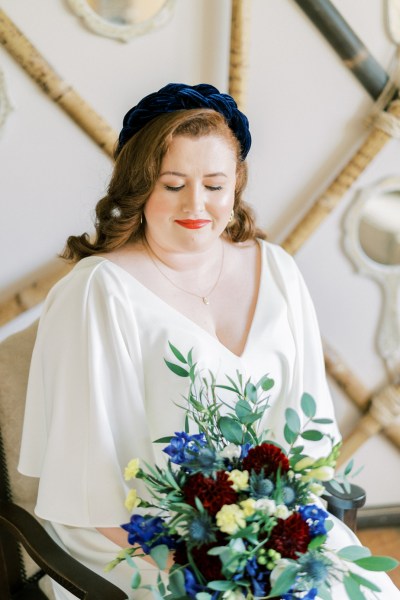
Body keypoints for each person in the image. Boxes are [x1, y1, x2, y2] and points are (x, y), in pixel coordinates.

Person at [18, 83, 399, 599]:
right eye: (173, 185)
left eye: (214, 185)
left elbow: (308, 435)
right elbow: (91, 486)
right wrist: (202, 563)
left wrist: (272, 538)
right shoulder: (98, 291)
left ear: (236, 186)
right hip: (135, 536)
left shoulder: (277, 271)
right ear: (139, 187)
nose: (196, 204)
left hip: (265, 521)